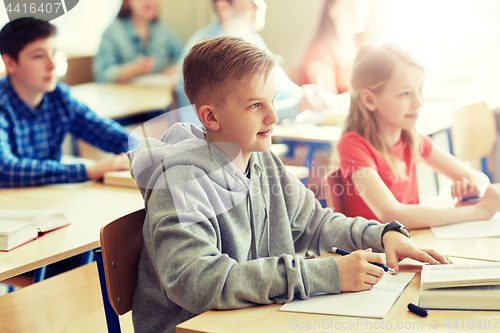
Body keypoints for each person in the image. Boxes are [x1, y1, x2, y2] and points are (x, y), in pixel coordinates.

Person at [128, 36, 450, 333]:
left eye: (273, 101)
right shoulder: (180, 182)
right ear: (211, 118)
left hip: (256, 318)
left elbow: (315, 222)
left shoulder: (262, 159)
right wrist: (327, 274)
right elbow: (202, 282)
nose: (273, 117)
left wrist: (382, 235)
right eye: (256, 105)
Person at [334, 42, 500, 228]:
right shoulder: (353, 146)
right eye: (405, 93)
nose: (418, 102)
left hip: (410, 243)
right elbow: (392, 214)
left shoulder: (410, 138)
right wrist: (477, 212)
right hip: (375, 253)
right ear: (369, 99)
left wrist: (473, 188)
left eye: (419, 89)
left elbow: (477, 177)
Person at [0, 17, 138, 188]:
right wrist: (90, 170)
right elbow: (4, 168)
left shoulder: (59, 97)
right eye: (38, 56)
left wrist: (144, 150)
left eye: (54, 53)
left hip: (49, 197)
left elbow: (107, 133)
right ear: (10, 63)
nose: (52, 65)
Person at [172, 0, 325, 124]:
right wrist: (295, 107)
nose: (261, 5)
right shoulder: (207, 51)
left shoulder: (252, 39)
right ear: (223, 6)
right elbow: (233, 117)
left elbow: (283, 89)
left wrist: (310, 97)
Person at [93, 0, 183, 83]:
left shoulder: (162, 29)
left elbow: (183, 56)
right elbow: (102, 76)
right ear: (128, 2)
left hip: (157, 95)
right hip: (124, 97)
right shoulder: (112, 33)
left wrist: (175, 68)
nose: (152, 2)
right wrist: (135, 68)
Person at [301, 0, 370, 95]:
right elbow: (330, 104)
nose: (358, 12)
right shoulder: (319, 55)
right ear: (332, 8)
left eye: (361, 5)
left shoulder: (365, 47)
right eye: (350, 6)